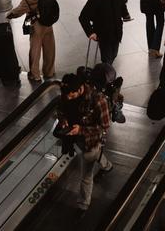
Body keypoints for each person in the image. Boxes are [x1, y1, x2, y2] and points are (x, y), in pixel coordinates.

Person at [57, 73, 113, 220]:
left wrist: (81, 130)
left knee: (86, 175)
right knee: (96, 155)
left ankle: (83, 204)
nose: (68, 98)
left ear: (80, 89)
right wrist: (63, 121)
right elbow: (61, 110)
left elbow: (105, 126)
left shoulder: (98, 100)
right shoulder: (66, 94)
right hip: (74, 137)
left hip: (90, 140)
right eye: (66, 96)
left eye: (71, 95)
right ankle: (107, 166)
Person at [6, 0, 55, 81]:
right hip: (48, 24)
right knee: (49, 49)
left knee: (35, 50)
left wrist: (8, 15)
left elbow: (18, 12)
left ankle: (35, 75)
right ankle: (49, 72)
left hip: (36, 27)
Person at [79, 0, 130, 66]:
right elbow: (83, 17)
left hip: (117, 32)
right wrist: (90, 32)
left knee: (113, 55)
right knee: (107, 59)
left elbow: (122, 6)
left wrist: (126, 15)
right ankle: (106, 76)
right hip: (103, 34)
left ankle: (107, 73)